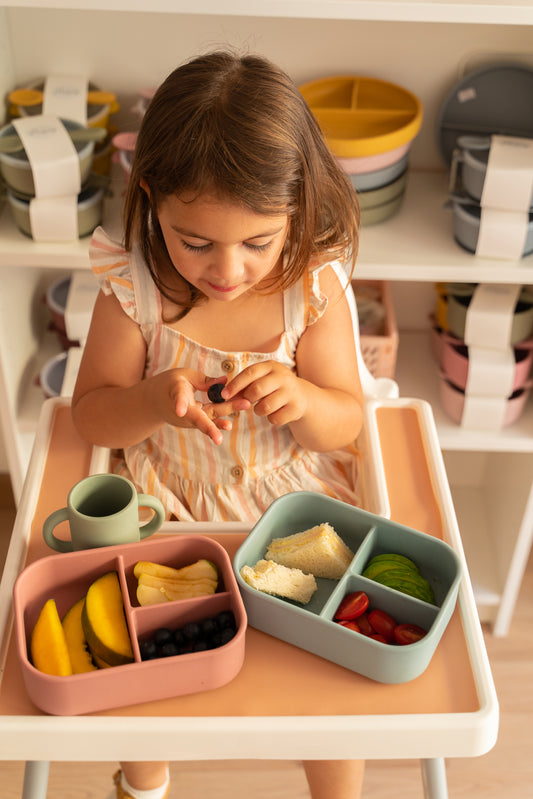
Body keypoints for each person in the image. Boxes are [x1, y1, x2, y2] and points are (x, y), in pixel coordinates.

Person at [72, 50, 365, 799]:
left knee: (325, 680)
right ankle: (145, 780)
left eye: (256, 242)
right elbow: (91, 410)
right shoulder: (132, 284)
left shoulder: (311, 289)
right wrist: (149, 399)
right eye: (194, 241)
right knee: (139, 667)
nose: (226, 270)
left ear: (296, 210)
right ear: (150, 198)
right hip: (165, 506)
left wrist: (301, 396)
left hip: (290, 505)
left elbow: (347, 423)